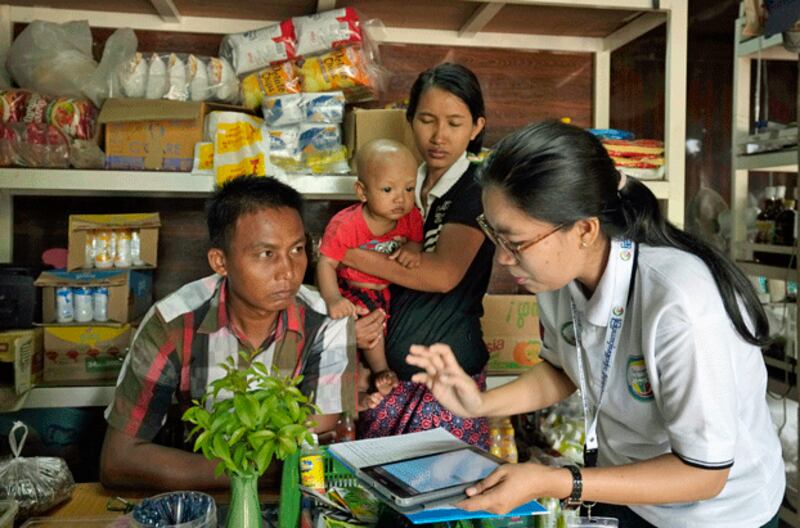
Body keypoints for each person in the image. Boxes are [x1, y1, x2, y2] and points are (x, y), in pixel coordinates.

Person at [407, 120, 784, 528]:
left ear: (584, 230)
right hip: (628, 491)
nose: (502, 258)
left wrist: (556, 482)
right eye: (495, 236)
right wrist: (479, 404)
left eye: (515, 242)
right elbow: (564, 370)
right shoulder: (555, 277)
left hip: (719, 513)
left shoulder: (680, 302)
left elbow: (704, 473)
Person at [100, 176, 357, 490]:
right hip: (199, 500)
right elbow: (119, 460)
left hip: (286, 501)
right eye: (267, 254)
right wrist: (250, 474)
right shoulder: (173, 323)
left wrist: (226, 467)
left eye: (297, 249)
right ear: (220, 262)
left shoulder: (327, 321)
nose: (288, 272)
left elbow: (316, 439)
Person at [342, 63, 494, 447]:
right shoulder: (401, 185)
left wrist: (347, 253)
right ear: (409, 120)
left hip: (447, 386)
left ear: (476, 127)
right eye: (426, 120)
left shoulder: (474, 189)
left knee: (443, 499)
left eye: (455, 123)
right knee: (376, 498)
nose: (439, 136)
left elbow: (441, 275)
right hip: (387, 386)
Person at [317, 139, 423, 404]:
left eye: (409, 188)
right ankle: (381, 372)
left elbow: (416, 240)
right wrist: (333, 299)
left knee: (385, 328)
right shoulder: (346, 225)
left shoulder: (410, 218)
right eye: (388, 189)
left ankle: (365, 380)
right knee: (372, 328)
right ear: (362, 192)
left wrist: (412, 247)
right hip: (351, 289)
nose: (400, 198)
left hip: (386, 290)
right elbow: (326, 262)